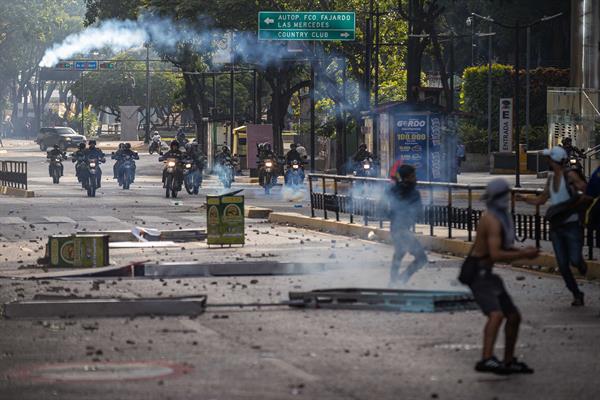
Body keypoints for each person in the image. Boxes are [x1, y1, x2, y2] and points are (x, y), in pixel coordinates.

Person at [462, 178, 538, 375]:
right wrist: (523, 254)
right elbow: (496, 254)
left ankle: (508, 360)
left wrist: (520, 251)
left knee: (513, 316)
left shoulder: (501, 216)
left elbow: (502, 250)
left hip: (487, 273)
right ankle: (486, 359)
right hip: (479, 273)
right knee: (496, 315)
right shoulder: (492, 219)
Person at [517, 146, 588, 306]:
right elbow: (541, 200)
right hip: (556, 226)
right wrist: (524, 198)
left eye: (549, 158)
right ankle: (577, 294)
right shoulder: (550, 179)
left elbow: (586, 190)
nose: (547, 160)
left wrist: (574, 205)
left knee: (575, 260)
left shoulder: (570, 175)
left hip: (571, 224)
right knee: (563, 265)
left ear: (554, 160)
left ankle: (581, 264)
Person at [385, 164, 428, 285]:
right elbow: (419, 214)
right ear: (406, 178)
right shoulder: (412, 192)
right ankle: (402, 279)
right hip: (402, 230)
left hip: (396, 229)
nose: (415, 179)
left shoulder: (394, 189)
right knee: (421, 259)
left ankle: (393, 282)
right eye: (413, 176)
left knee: (399, 255)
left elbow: (384, 208)